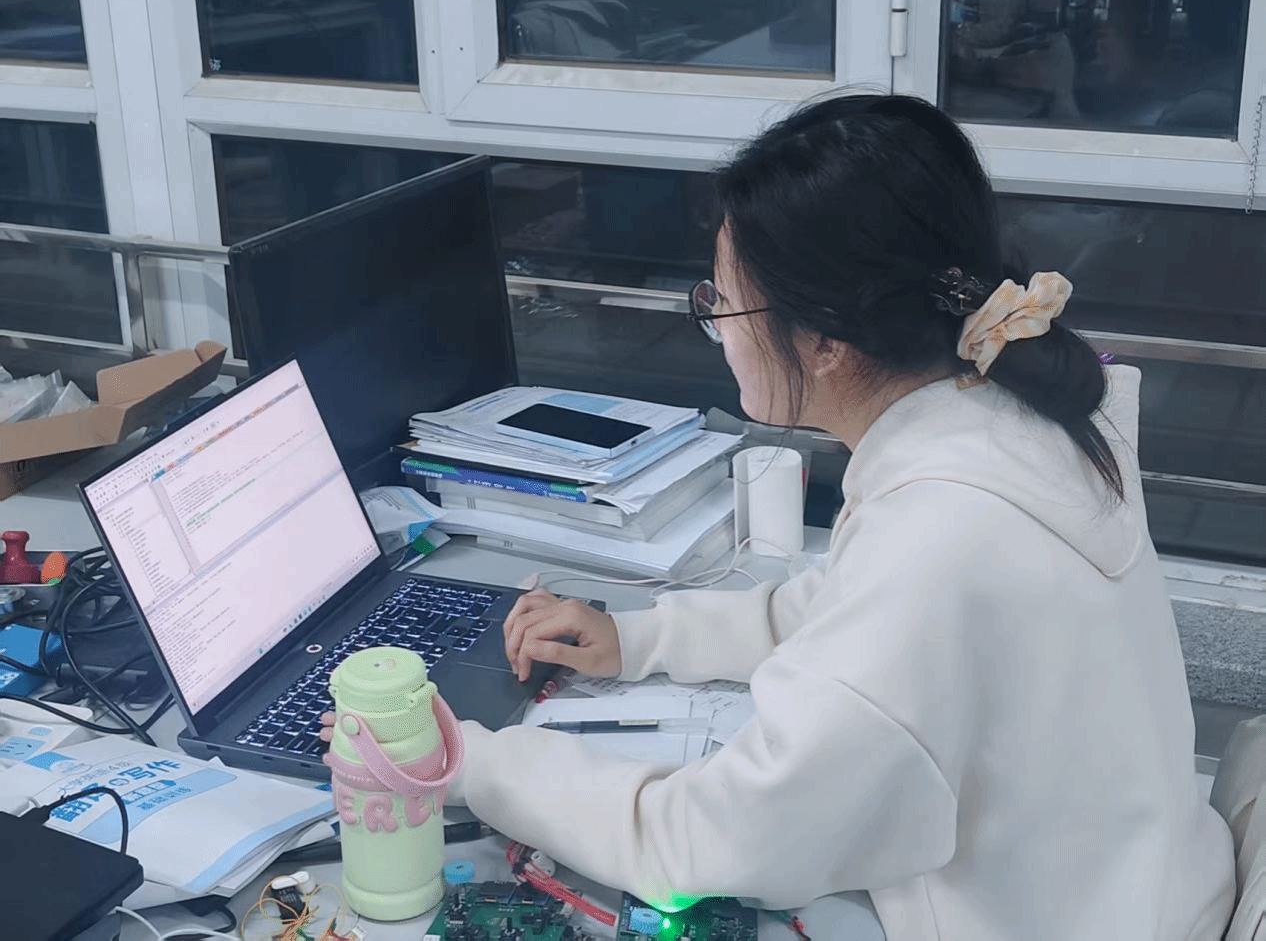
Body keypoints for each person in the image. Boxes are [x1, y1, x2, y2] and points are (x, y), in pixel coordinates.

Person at [329, 94, 1236, 940]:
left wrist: (472, 765)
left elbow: (710, 841)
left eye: (724, 303)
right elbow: (844, 608)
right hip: (1145, 886)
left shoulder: (939, 537)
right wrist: (640, 638)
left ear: (828, 340)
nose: (718, 326)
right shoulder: (1012, 416)